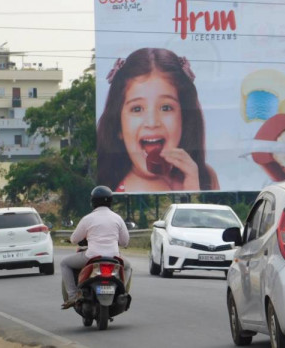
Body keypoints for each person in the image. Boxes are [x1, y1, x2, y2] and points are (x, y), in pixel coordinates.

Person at [97, 47, 219, 193]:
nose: (152, 122)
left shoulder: (205, 176)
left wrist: (194, 190)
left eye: (166, 108)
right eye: (137, 109)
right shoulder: (110, 190)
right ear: (118, 127)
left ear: (184, 120)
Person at [60, 185, 131, 309]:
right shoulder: (117, 218)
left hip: (91, 257)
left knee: (64, 263)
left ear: (92, 202)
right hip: (114, 257)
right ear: (110, 201)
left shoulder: (88, 219)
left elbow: (74, 239)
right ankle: (122, 292)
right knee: (128, 266)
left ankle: (72, 296)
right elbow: (125, 242)